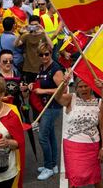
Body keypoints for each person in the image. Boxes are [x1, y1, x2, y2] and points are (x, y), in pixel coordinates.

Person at [54, 77, 103, 188]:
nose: (83, 89)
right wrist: (63, 85)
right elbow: (57, 97)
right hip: (72, 147)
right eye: (80, 87)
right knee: (74, 180)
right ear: (76, 88)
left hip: (92, 147)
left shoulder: (98, 103)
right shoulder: (71, 99)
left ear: (91, 87)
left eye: (86, 86)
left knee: (96, 178)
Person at [32, 42, 64, 180]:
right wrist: (32, 86)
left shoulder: (55, 69)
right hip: (43, 106)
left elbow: (63, 89)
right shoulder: (42, 67)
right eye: (41, 54)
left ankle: (48, 167)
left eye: (47, 54)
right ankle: (53, 164)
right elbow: (40, 84)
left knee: (43, 137)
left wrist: (42, 90)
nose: (44, 56)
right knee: (50, 136)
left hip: (53, 107)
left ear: (51, 53)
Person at [15, 16, 53, 83]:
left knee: (40, 87)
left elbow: (51, 46)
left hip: (41, 67)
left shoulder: (43, 35)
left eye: (36, 25)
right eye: (32, 25)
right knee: (29, 88)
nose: (34, 27)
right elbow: (16, 44)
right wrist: (20, 34)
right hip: (28, 67)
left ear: (39, 25)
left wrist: (44, 31)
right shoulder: (26, 35)